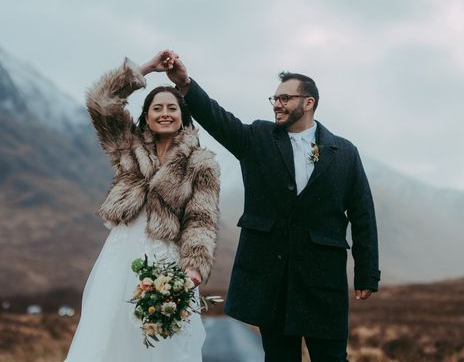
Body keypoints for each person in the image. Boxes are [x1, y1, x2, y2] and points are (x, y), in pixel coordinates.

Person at [160, 50, 380, 362]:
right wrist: (184, 84)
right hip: (272, 279)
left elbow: (362, 214)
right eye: (274, 98)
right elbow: (217, 119)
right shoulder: (257, 138)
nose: (277, 104)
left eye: (285, 98)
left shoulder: (344, 152)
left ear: (308, 103)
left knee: (332, 358)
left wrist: (367, 273)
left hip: (323, 281)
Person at [65, 54, 220, 362]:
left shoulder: (201, 163)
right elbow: (101, 101)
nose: (165, 114)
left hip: (168, 263)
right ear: (146, 116)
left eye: (172, 108)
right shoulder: (128, 146)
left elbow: (201, 220)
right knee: (108, 333)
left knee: (163, 344)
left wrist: (193, 268)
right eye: (157, 108)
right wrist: (146, 69)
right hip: (120, 256)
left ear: (183, 115)